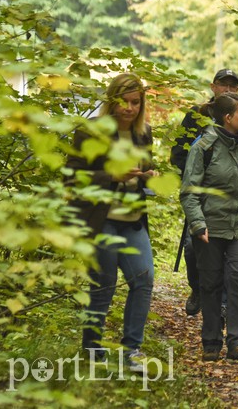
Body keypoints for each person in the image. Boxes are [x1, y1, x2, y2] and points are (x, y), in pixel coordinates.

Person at [67, 73, 156, 372]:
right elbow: (73, 178)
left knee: (143, 280)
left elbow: (145, 166)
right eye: (123, 102)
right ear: (111, 101)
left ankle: (132, 350)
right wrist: (112, 177)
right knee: (103, 285)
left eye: (135, 102)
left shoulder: (144, 133)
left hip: (132, 220)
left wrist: (148, 175)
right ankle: (93, 350)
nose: (129, 108)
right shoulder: (91, 132)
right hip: (101, 219)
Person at [180, 92, 238, 361]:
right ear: (228, 118)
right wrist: (197, 223)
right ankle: (211, 341)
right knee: (210, 282)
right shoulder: (203, 148)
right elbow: (189, 192)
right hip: (211, 225)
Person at [171, 68, 238, 316]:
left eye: (233, 86)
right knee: (192, 247)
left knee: (231, 257)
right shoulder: (197, 115)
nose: (229, 90)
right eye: (224, 85)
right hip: (201, 198)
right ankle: (198, 288)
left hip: (236, 201)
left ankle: (222, 304)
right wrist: (196, 176)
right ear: (213, 87)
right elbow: (177, 153)